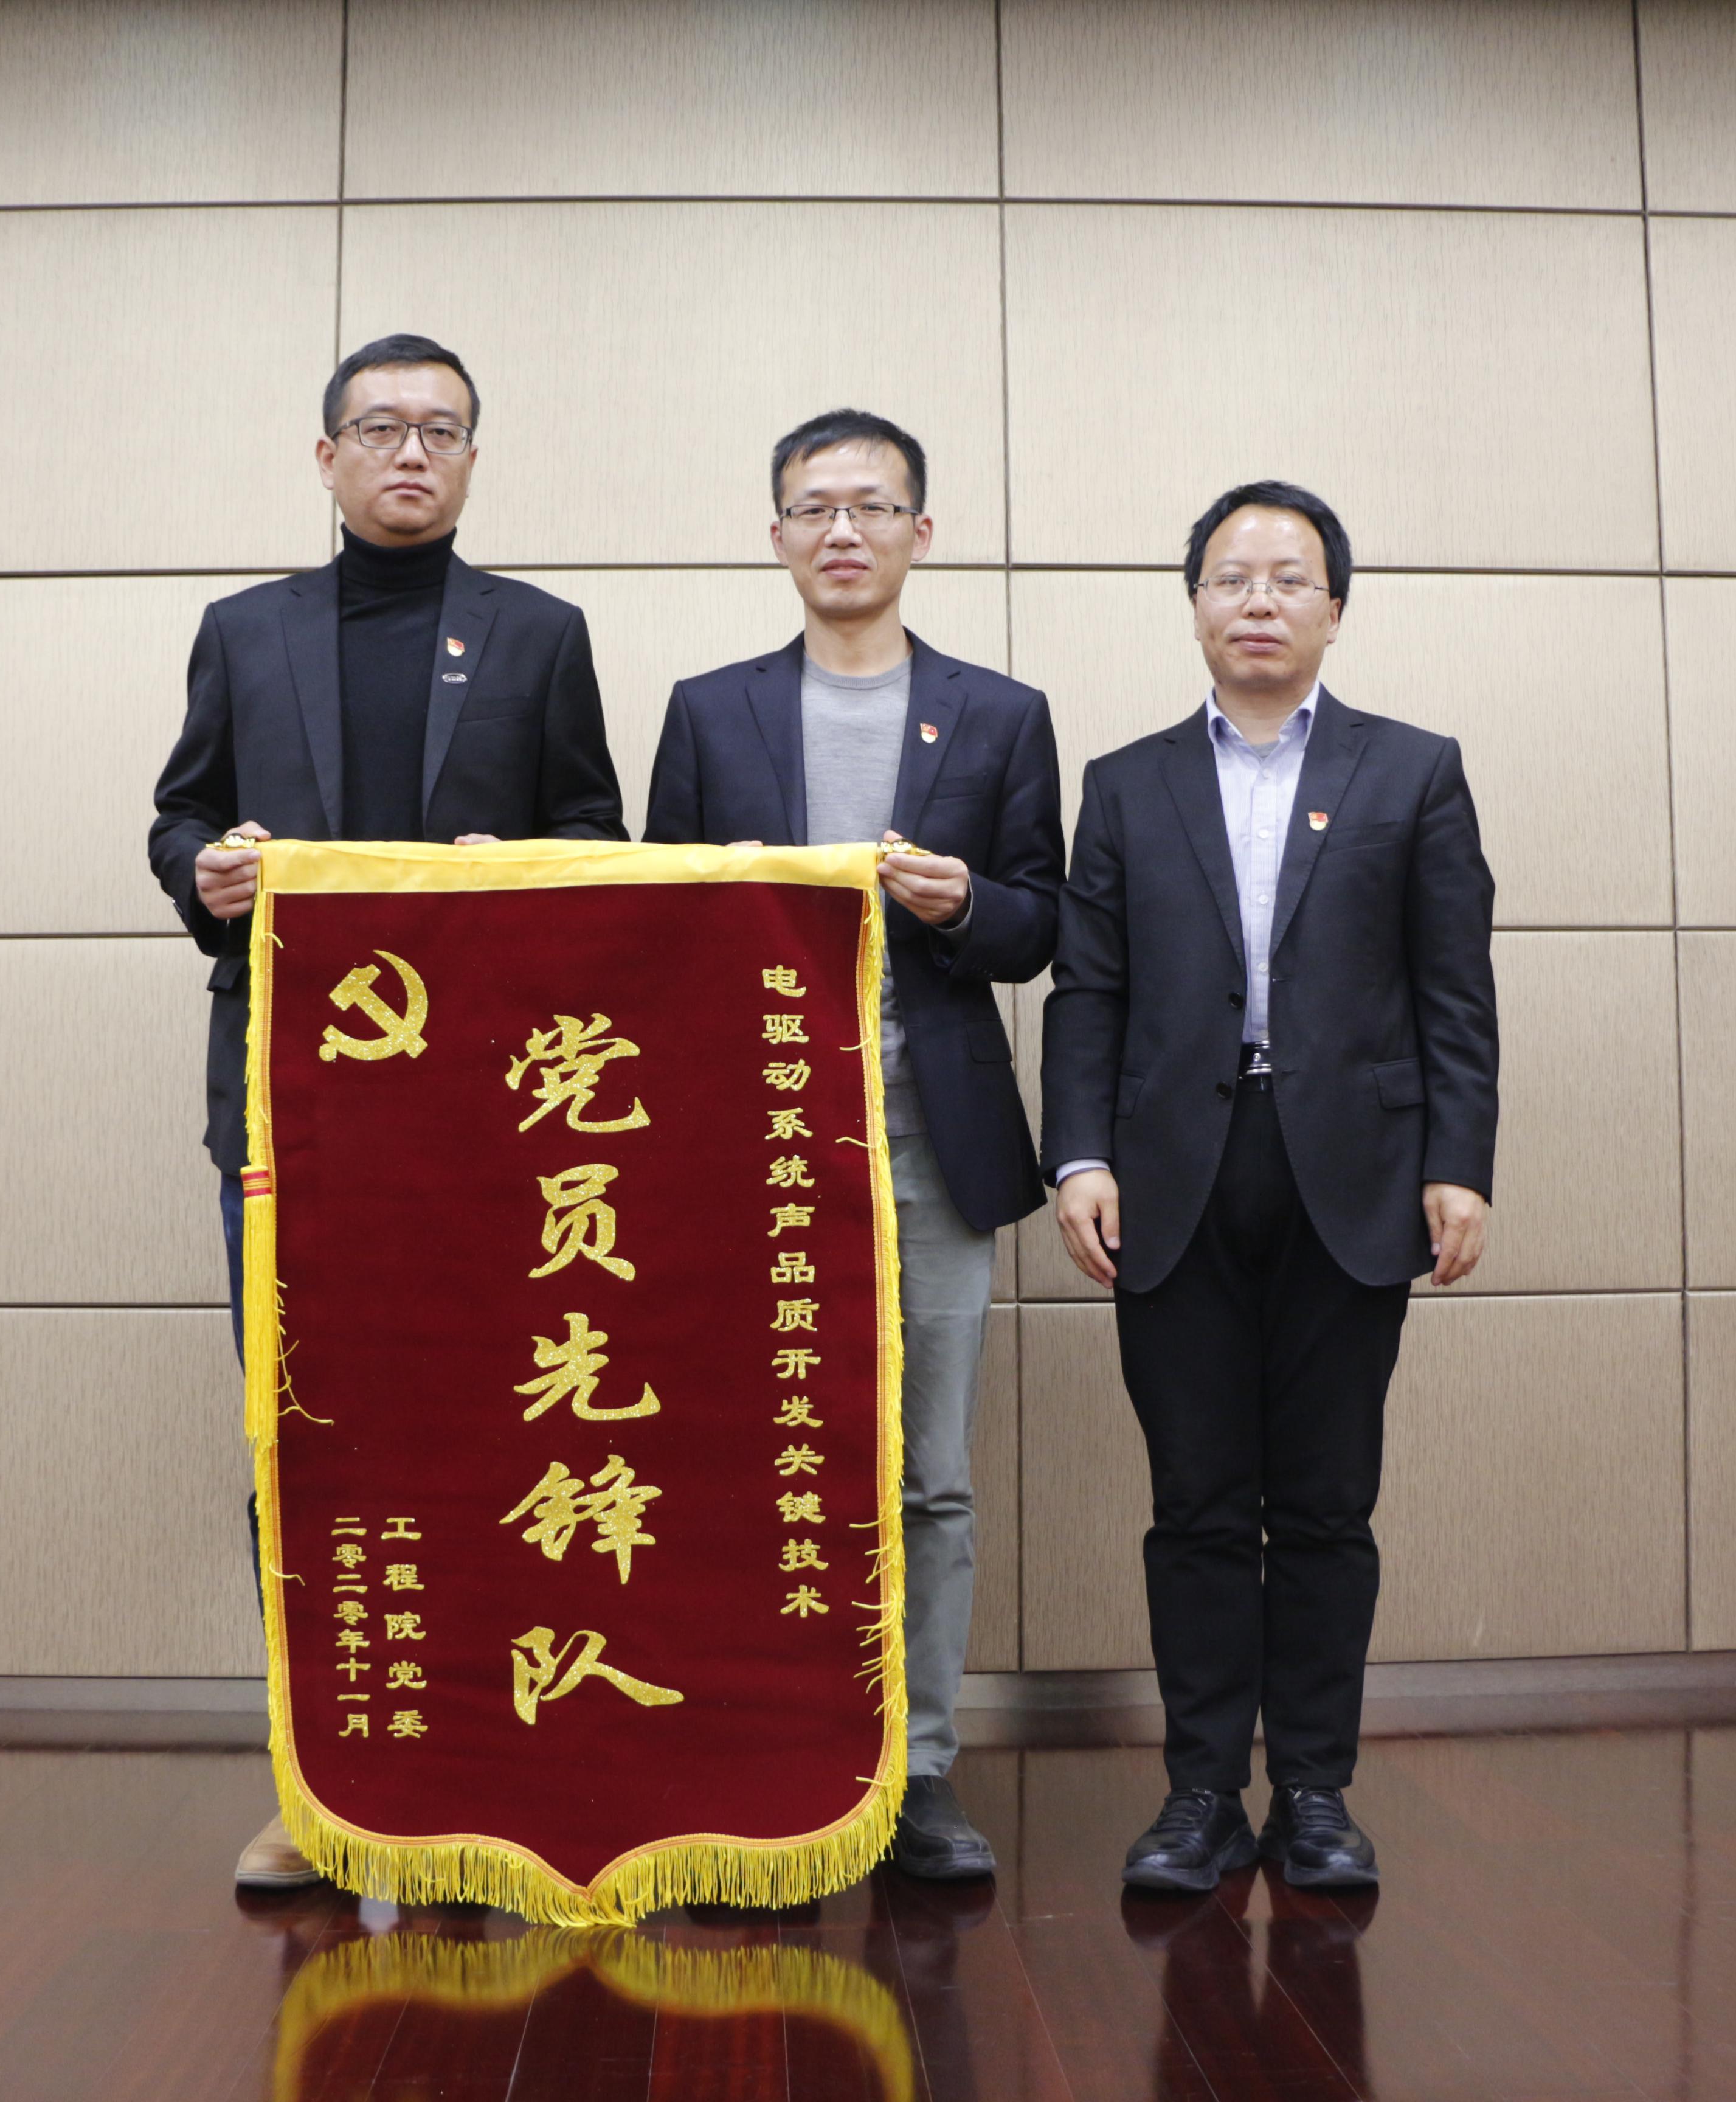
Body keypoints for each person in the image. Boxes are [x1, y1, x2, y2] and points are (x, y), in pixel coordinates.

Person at [147, 333, 626, 1894]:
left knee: (491, 1432)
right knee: (304, 1438)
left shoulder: (540, 635)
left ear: (474, 459)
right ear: (327, 456)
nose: (410, 452)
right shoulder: (245, 631)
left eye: (440, 430)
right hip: (290, 1109)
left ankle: (481, 1773)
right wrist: (206, 871)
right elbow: (179, 816)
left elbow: (597, 833)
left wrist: (523, 874)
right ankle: (321, 1787)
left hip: (486, 1115)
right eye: (380, 428)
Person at [1038, 481, 1496, 1893]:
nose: (1258, 601)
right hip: (1171, 1177)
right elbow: (1088, 991)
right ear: (1194, 606)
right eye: (1232, 577)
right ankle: (1197, 1795)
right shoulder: (1126, 783)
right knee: (1195, 1502)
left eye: (1289, 579)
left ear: (1335, 610)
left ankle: (1311, 1792)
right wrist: (1080, 1155)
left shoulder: (1412, 771)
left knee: (1324, 1504)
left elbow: (1454, 991)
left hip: (1353, 1176)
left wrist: (1458, 1164)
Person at [641, 408, 1064, 1879]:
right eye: (814, 507)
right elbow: (658, 925)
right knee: (746, 1452)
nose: (843, 531)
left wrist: (966, 905)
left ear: (919, 534)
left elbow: (1043, 924)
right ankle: (758, 1751)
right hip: (750, 1135)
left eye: (873, 506)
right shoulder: (711, 711)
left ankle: (921, 1767)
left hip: (930, 1128)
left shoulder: (999, 714)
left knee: (928, 1467)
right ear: (777, 536)